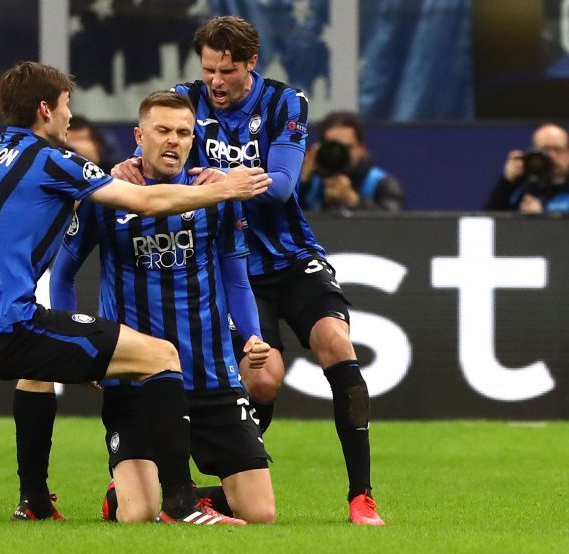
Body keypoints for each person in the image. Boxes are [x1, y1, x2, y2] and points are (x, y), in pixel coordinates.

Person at [0, 61, 271, 525]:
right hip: (6, 323)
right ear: (44, 109)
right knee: (159, 356)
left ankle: (33, 501)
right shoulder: (49, 158)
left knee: (36, 371)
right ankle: (182, 503)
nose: (70, 116)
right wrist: (228, 186)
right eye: (66, 105)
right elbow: (145, 200)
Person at [112, 16, 385, 526]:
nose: (215, 81)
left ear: (251, 64)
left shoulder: (287, 103)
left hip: (290, 256)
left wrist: (225, 182)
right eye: (209, 69)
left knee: (336, 343)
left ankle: (361, 496)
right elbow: (151, 161)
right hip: (232, 265)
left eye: (228, 70)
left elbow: (281, 186)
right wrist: (129, 168)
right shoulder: (183, 98)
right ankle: (215, 484)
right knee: (263, 380)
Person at [49, 91, 275, 523]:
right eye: (163, 131)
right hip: (136, 377)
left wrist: (251, 335)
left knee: (261, 513)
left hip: (211, 373)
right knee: (140, 514)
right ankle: (129, 494)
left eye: (183, 132)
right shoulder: (109, 195)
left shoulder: (215, 194)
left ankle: (190, 493)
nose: (173, 141)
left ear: (194, 140)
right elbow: (62, 274)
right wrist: (80, 353)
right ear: (139, 135)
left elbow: (235, 274)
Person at [301, 111, 404, 212]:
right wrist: (302, 183)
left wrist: (355, 203)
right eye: (332, 147)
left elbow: (393, 222)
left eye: (346, 147)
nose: (338, 153)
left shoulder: (383, 185)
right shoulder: (311, 183)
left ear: (362, 148)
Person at [484, 123, 569, 213]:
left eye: (558, 149)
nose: (552, 156)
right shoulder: (522, 185)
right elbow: (489, 219)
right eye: (545, 149)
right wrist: (506, 182)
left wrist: (543, 218)